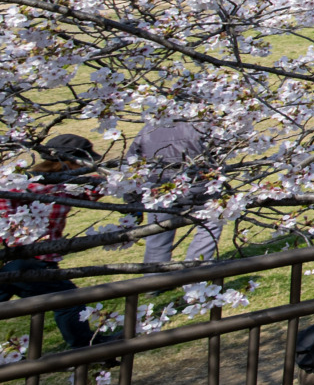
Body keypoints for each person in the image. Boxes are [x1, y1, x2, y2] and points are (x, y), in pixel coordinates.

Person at [0, 137, 107, 350]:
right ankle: (84, 349)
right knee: (69, 300)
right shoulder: (31, 185)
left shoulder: (62, 186)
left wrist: (107, 179)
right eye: (81, 164)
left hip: (22, 261)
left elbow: (89, 193)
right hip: (31, 260)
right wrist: (12, 225)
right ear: (69, 162)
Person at [127, 119, 218, 271]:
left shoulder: (149, 128)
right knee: (211, 223)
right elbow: (216, 152)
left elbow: (131, 160)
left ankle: (153, 279)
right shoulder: (199, 124)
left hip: (159, 188)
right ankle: (195, 274)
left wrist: (132, 199)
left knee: (157, 235)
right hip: (196, 185)